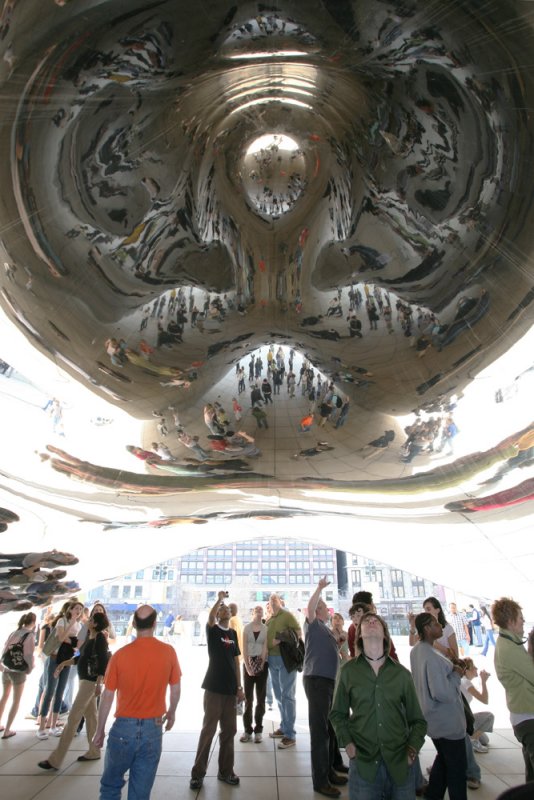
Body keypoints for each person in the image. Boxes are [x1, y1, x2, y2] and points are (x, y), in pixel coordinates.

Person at [331, 612, 426, 799]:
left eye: (377, 621)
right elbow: (337, 714)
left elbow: (418, 720)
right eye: (366, 621)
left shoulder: (401, 674)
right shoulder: (348, 671)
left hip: (400, 764)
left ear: (385, 634)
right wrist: (348, 744)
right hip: (363, 763)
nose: (372, 621)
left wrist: (412, 750)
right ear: (359, 635)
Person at [93, 604, 181, 800]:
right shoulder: (168, 652)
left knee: (110, 786)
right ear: (155, 624)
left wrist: (99, 730)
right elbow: (175, 688)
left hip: (123, 729)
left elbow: (107, 696)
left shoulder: (120, 655)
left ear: (133, 624)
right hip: (153, 728)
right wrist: (172, 712)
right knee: (140, 793)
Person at [37, 611, 111, 770]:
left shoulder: (99, 639)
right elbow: (80, 658)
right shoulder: (89, 639)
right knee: (91, 717)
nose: (88, 620)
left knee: (72, 719)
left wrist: (99, 683)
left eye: (90, 619)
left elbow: (103, 662)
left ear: (95, 624)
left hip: (90, 683)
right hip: (84, 680)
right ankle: (94, 750)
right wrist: (64, 663)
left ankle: (55, 760)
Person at [410, 612, 467, 800]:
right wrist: (457, 673)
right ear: (427, 628)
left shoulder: (417, 650)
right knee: (457, 771)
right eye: (435, 624)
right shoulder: (431, 656)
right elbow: (442, 693)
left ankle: (433, 795)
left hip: (433, 719)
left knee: (443, 761)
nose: (440, 626)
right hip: (447, 722)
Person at [190, 591, 244, 789]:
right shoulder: (213, 631)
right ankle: (197, 774)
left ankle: (226, 771)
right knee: (208, 731)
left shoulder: (232, 634)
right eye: (222, 609)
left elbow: (236, 662)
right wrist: (219, 599)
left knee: (229, 731)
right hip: (213, 688)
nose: (225, 610)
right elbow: (211, 617)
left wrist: (239, 688)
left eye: (228, 608)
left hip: (230, 691)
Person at [303, 577, 348, 798]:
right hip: (317, 681)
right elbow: (310, 606)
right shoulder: (312, 623)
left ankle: (329, 772)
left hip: (329, 683)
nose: (323, 607)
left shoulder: (326, 629)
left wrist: (338, 644)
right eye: (320, 605)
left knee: (330, 730)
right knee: (320, 732)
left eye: (323, 605)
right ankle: (320, 781)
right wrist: (319, 589)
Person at [492, 597, 534, 783]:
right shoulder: (510, 648)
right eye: (521, 618)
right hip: (527, 719)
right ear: (510, 622)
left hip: (523, 716)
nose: (524, 621)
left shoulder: (509, 642)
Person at [36, 600, 84, 739]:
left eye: (80, 609)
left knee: (60, 691)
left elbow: (78, 644)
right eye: (76, 608)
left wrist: (73, 641)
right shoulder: (62, 621)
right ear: (70, 609)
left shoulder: (80, 625)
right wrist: (71, 628)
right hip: (54, 658)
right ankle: (41, 726)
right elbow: (62, 637)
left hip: (67, 660)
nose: (78, 611)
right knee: (50, 690)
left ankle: (53, 725)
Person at [267, 593, 301, 749]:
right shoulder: (269, 619)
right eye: (270, 599)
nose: (272, 601)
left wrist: (281, 638)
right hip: (271, 660)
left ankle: (290, 735)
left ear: (280, 602)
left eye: (275, 599)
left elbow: (298, 632)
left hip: (285, 659)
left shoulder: (287, 615)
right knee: (279, 695)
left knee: (288, 695)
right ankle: (284, 727)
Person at [0, 612, 36, 738]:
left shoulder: (14, 632)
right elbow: (28, 654)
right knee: (16, 700)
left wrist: (0, 663)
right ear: (33, 622)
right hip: (18, 671)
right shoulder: (29, 635)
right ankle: (7, 730)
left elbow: (5, 648)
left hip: (6, 668)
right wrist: (30, 668)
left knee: (4, 696)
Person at [240, 605, 268, 744]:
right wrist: (247, 666)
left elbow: (265, 647)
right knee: (248, 699)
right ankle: (247, 730)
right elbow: (243, 648)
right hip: (248, 664)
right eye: (256, 611)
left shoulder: (265, 628)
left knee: (261, 699)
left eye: (261, 611)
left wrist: (262, 664)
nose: (259, 613)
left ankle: (258, 730)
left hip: (261, 663)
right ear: (252, 612)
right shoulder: (246, 628)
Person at [460, 658, 495, 752]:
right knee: (489, 717)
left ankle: (468, 739)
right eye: (474, 667)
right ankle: (472, 741)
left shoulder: (463, 681)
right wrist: (483, 681)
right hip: (463, 720)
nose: (476, 668)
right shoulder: (465, 682)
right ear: (466, 670)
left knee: (484, 740)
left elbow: (479, 694)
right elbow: (485, 700)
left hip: (461, 719)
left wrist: (483, 681)